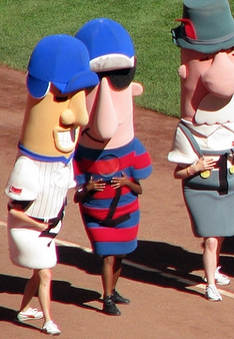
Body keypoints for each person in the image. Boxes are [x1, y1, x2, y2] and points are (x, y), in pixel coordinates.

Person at [5, 35, 98, 335]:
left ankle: (22, 311)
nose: (80, 117)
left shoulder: (63, 163)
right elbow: (13, 209)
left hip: (48, 228)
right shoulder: (27, 168)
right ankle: (47, 320)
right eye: (64, 97)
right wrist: (38, 223)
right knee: (46, 274)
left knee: (38, 273)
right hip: (29, 230)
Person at [168, 0, 234, 301]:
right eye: (205, 58)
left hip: (228, 182)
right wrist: (195, 167)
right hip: (201, 187)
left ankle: (213, 270)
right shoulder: (187, 132)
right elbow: (178, 172)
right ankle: (210, 283)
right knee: (210, 240)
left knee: (222, 233)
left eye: (230, 52)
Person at [73, 18, 152, 315]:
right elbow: (77, 193)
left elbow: (140, 186)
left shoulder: (133, 150)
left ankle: (113, 290)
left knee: (119, 257)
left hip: (126, 211)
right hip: (99, 215)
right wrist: (90, 187)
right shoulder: (82, 154)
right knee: (108, 255)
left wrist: (127, 184)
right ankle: (106, 297)